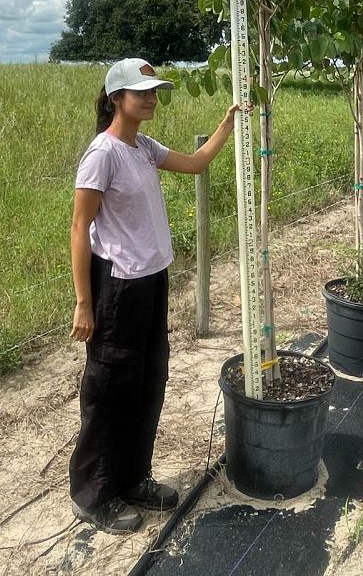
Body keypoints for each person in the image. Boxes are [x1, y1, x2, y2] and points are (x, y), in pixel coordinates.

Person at [68, 57, 241, 535]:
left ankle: (133, 478)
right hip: (118, 288)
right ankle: (94, 493)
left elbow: (196, 163)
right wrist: (84, 302)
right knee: (109, 389)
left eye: (155, 91)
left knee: (147, 382)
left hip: (151, 282)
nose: (151, 98)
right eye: (141, 91)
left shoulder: (143, 148)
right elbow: (81, 226)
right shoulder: (102, 153)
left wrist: (226, 126)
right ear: (115, 99)